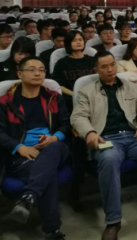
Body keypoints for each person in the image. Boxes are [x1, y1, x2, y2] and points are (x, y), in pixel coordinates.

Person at [71, 51, 137, 239]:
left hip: (132, 135)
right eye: (104, 67)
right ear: (96, 70)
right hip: (106, 139)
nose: (110, 69)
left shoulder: (130, 86)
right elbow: (78, 117)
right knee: (109, 159)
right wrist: (90, 132)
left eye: (112, 64)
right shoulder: (86, 91)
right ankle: (113, 220)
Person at [0, 56, 70, 240]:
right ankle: (53, 231)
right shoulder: (6, 102)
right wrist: (19, 147)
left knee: (55, 149)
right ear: (19, 74)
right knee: (47, 172)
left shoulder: (53, 98)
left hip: (54, 148)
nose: (38, 73)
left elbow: (65, 124)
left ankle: (28, 196)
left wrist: (54, 137)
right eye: (32, 69)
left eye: (41, 69)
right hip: (22, 155)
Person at [52, 30, 94, 98]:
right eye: (74, 40)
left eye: (80, 40)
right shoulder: (61, 63)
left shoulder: (92, 60)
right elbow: (58, 85)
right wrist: (75, 95)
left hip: (92, 96)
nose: (78, 42)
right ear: (68, 43)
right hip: (71, 97)